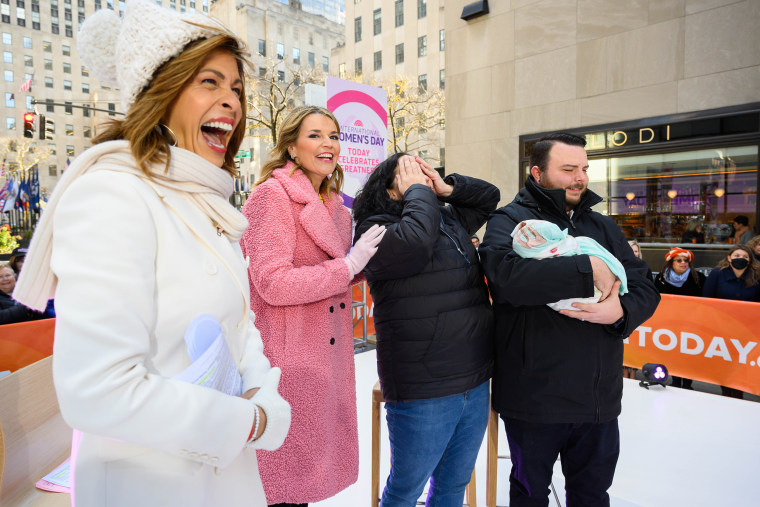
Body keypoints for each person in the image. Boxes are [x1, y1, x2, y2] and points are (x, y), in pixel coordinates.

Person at [12, 2, 290, 505]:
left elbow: (238, 323)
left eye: (237, 88)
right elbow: (97, 392)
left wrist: (262, 390)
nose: (232, 101)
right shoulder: (112, 196)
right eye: (210, 81)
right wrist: (247, 421)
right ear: (160, 92)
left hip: (226, 478)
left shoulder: (205, 201)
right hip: (147, 486)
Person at [479, 133, 660, 507]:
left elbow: (644, 285)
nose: (581, 178)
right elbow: (506, 280)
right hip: (535, 397)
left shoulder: (603, 226)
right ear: (538, 173)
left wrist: (622, 311)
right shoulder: (510, 220)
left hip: (598, 398)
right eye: (568, 169)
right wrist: (586, 267)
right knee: (530, 495)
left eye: (584, 169)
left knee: (592, 494)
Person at [241, 105, 385, 507]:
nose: (329, 144)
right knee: (282, 486)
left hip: (325, 360)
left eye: (334, 136)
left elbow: (332, 274)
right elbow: (272, 283)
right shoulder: (272, 196)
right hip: (288, 358)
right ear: (291, 145)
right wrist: (347, 266)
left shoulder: (335, 206)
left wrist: (361, 266)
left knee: (302, 484)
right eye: (316, 135)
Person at [352, 153, 499, 507]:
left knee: (452, 487)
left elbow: (489, 197)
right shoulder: (374, 228)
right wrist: (418, 192)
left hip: (474, 378)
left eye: (423, 175)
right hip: (424, 387)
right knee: (405, 492)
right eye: (410, 175)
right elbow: (415, 242)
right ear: (390, 189)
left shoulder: (446, 217)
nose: (422, 182)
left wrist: (447, 188)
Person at [703, 244, 760, 399]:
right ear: (729, 258)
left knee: (742, 363)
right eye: (736, 256)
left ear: (750, 260)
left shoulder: (757, 276)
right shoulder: (717, 275)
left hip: (747, 329)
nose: (740, 259)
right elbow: (707, 299)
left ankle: (738, 393)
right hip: (722, 327)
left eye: (744, 257)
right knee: (725, 362)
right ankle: (727, 393)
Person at [653, 247, 705, 389]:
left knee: (689, 353)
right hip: (670, 322)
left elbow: (706, 301)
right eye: (679, 260)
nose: (683, 263)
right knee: (673, 352)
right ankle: (675, 380)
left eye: (686, 260)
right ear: (671, 263)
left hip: (692, 322)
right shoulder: (661, 278)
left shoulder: (698, 277)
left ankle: (688, 383)